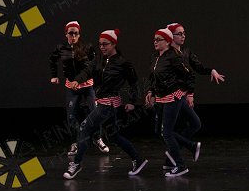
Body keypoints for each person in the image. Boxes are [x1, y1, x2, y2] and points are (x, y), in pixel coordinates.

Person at [62, 29, 148, 180]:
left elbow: (134, 83)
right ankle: (138, 159)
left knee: (84, 128)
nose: (102, 47)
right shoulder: (99, 60)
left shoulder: (122, 63)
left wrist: (132, 102)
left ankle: (76, 164)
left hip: (109, 105)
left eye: (105, 44)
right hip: (104, 103)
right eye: (100, 44)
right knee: (114, 136)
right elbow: (87, 71)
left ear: (113, 44)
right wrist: (77, 80)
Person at [163, 21, 227, 166]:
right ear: (171, 36)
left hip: (181, 96)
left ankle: (171, 159)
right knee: (168, 130)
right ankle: (180, 155)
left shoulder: (186, 52)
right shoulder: (168, 55)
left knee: (194, 124)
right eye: (179, 34)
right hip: (171, 96)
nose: (183, 36)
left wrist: (211, 70)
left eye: (184, 33)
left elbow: (197, 68)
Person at [49, 21, 109, 156]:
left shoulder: (87, 47)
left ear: (79, 34)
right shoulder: (61, 48)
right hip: (72, 87)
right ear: (66, 34)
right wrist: (54, 75)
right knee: (71, 116)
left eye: (76, 33)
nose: (73, 36)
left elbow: (95, 64)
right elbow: (52, 60)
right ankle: (74, 143)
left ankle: (98, 139)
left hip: (87, 85)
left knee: (95, 112)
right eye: (71, 33)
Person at [145, 28, 195, 177]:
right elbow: (153, 78)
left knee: (166, 133)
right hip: (162, 97)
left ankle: (180, 165)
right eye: (154, 39)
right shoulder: (157, 57)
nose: (155, 42)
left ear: (167, 41)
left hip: (172, 97)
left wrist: (188, 93)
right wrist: (150, 92)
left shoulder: (173, 57)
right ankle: (190, 147)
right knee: (163, 132)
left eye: (158, 40)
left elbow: (189, 75)